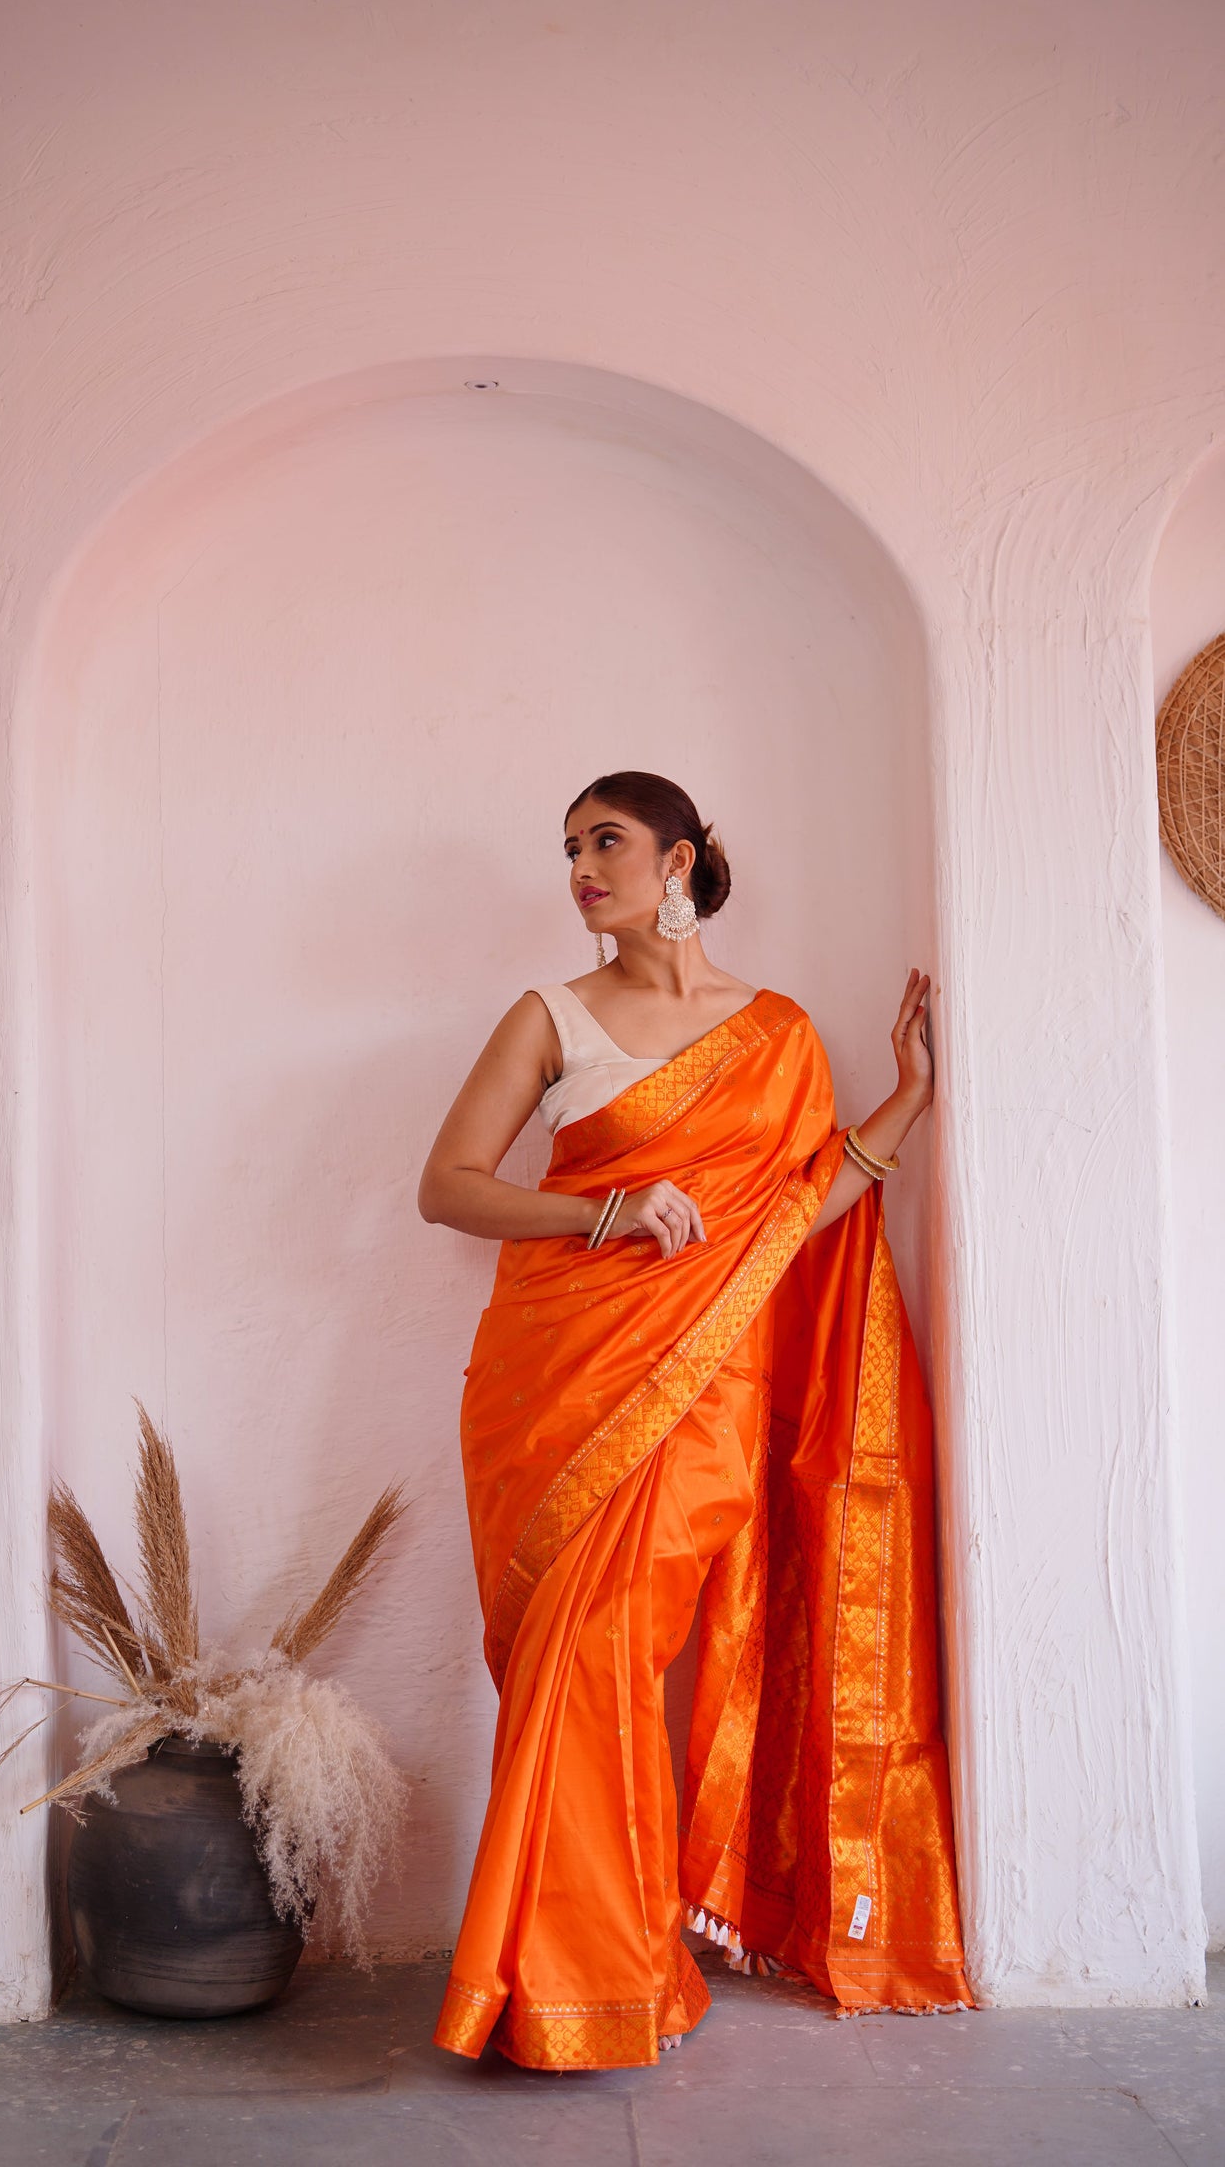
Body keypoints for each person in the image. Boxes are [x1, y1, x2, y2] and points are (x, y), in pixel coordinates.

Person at [418, 771, 971, 2073]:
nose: (580, 868)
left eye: (603, 840)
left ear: (683, 858)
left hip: (704, 1394)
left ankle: (561, 1981)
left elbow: (789, 1215)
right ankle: (588, 1980)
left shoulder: (773, 1035)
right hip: (554, 1379)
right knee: (571, 1662)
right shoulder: (548, 1015)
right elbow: (446, 1188)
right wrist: (602, 1210)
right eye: (566, 848)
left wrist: (901, 1102)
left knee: (601, 1659)